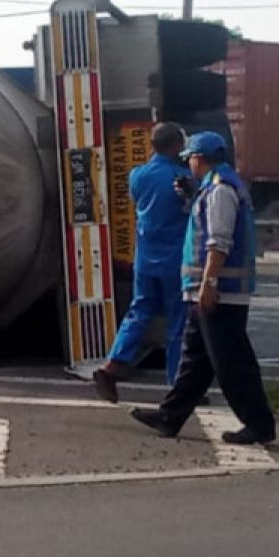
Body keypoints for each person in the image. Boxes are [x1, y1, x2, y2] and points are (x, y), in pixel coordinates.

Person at [130, 131, 277, 445]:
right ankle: (170, 416)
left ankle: (258, 423)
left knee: (231, 362)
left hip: (219, 291)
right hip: (207, 289)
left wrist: (209, 282)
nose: (188, 165)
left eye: (190, 159)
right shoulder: (216, 186)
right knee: (195, 360)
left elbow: (218, 242)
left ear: (200, 157)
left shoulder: (221, 190)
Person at [93, 122, 193, 402]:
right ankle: (177, 384)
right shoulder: (182, 177)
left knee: (138, 312)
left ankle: (112, 364)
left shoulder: (138, 175)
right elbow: (194, 207)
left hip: (145, 257)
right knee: (178, 322)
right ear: (176, 146)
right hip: (175, 259)